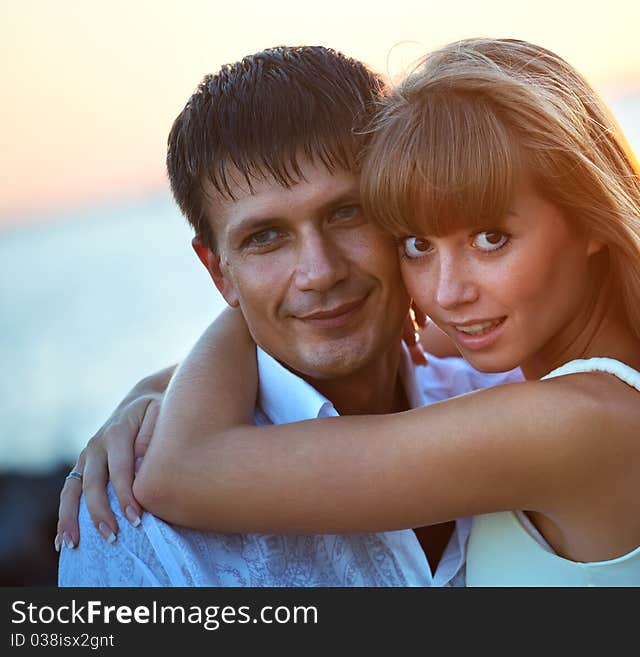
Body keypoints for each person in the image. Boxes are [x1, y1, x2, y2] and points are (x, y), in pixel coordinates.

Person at [66, 38, 640, 586]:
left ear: (591, 221)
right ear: (219, 268)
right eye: (419, 240)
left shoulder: (556, 419)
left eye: (491, 236)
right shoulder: (531, 365)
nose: (448, 290)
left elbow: (187, 470)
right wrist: (160, 384)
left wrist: (247, 313)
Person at [56, 45, 522, 587]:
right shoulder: (138, 530)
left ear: (402, 210)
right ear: (219, 273)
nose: (319, 272)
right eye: (265, 238)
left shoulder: (505, 391)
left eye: (347, 212)